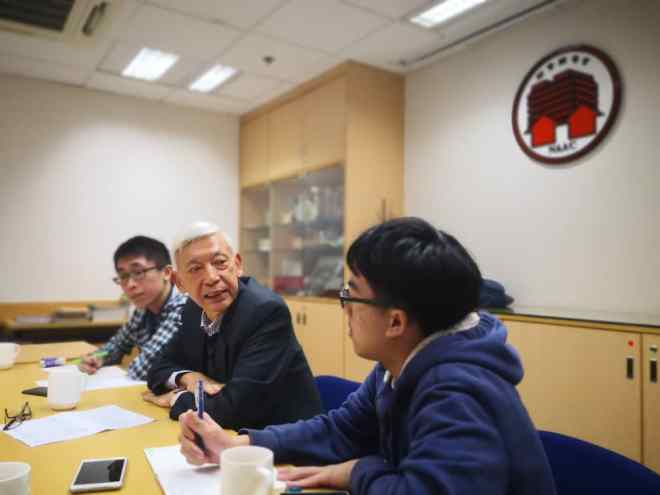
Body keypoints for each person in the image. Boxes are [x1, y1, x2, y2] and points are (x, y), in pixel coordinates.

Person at [178, 217, 556, 495]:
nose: (344, 307)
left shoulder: (456, 391)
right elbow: (342, 428)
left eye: (351, 294)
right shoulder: (400, 362)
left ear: (395, 321)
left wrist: (358, 470)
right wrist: (238, 445)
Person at [146, 221, 322, 430]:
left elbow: (234, 410)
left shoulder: (266, 312)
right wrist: (188, 378)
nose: (212, 278)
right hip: (229, 436)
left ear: (237, 265)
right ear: (179, 282)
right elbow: (158, 368)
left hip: (285, 439)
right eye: (195, 269)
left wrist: (177, 398)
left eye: (220, 262)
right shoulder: (193, 310)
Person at [78, 235, 187, 381]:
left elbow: (143, 370)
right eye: (123, 276)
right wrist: (95, 358)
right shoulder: (143, 309)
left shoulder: (183, 307)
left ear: (167, 273)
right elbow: (116, 346)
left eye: (138, 272)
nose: (130, 285)